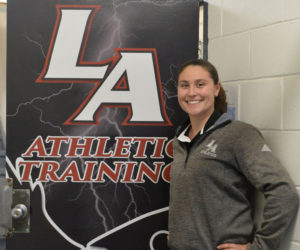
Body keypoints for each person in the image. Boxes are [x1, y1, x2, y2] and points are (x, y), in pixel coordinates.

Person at [168, 59, 299, 250]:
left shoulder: (239, 135)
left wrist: (259, 247)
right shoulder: (179, 141)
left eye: (200, 84)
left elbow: (284, 193)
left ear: (216, 88)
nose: (192, 92)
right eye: (184, 85)